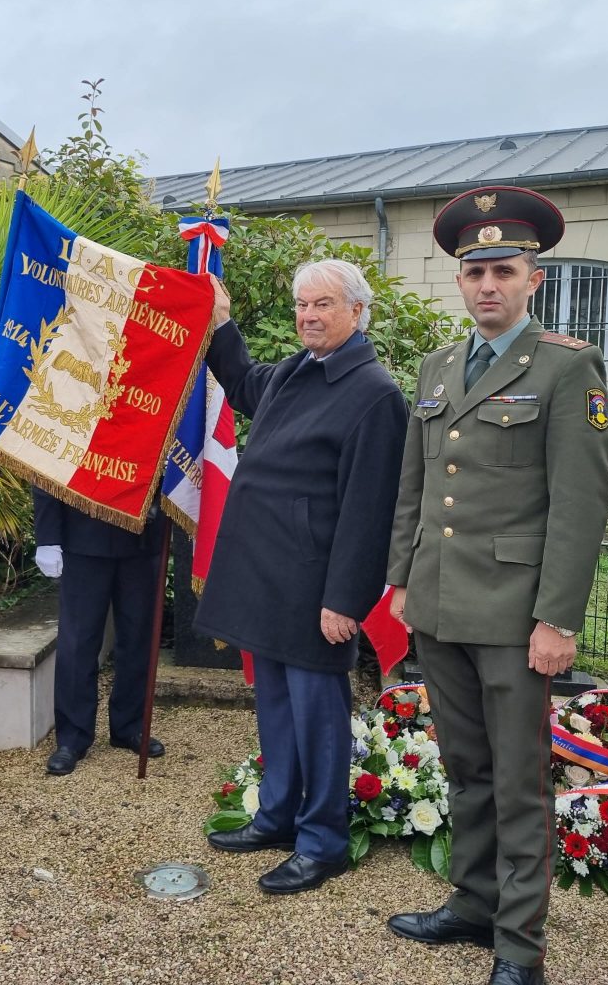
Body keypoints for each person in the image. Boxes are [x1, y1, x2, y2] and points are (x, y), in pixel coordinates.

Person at [384, 186, 608, 985]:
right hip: (440, 604)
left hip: (516, 616)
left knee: (517, 784)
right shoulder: (437, 366)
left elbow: (580, 505)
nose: (488, 284)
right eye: (475, 271)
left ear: (533, 280)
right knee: (465, 768)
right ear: (460, 280)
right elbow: (415, 487)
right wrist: (402, 580)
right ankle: (472, 904)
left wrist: (558, 619)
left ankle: (519, 948)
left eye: (504, 270)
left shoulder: (566, 367)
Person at [199, 259, 408, 895]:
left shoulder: (374, 393)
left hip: (317, 587)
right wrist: (220, 322)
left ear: (357, 312)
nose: (308, 316)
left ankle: (322, 842)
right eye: (302, 305)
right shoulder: (298, 369)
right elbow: (243, 382)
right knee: (275, 706)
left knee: (318, 717)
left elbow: (370, 510)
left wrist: (345, 599)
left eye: (323, 304)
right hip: (268, 576)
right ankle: (278, 816)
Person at [33, 491, 167, 775]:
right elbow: (48, 470)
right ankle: (72, 737)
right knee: (78, 643)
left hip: (141, 534)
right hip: (83, 533)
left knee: (138, 639)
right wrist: (47, 538)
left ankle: (130, 726)